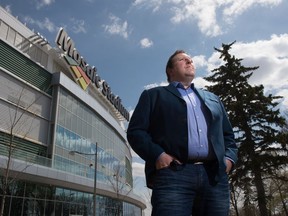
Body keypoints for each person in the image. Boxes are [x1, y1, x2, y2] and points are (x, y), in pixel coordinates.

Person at [127, 50, 238, 216]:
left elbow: (228, 135)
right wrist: (158, 155)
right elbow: (136, 132)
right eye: (182, 59)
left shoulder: (213, 98)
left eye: (191, 60)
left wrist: (228, 160)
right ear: (170, 70)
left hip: (214, 176)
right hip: (173, 174)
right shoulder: (153, 95)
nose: (189, 61)